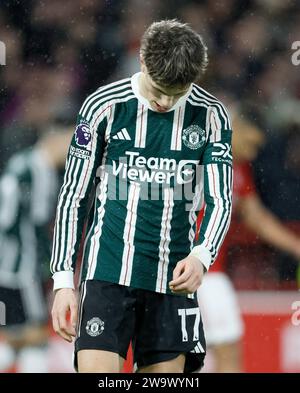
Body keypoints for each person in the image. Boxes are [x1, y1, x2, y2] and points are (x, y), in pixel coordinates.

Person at [50, 19, 233, 373]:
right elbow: (74, 195)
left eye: (177, 93)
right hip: (107, 274)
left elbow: (221, 199)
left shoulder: (211, 115)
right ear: (142, 63)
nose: (165, 102)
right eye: (159, 90)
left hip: (172, 285)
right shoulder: (103, 107)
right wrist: (62, 281)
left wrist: (201, 256)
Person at [196, 114, 300, 373]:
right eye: (250, 143)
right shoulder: (195, 157)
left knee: (218, 353)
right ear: (235, 129)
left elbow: (257, 218)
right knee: (222, 353)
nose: (253, 153)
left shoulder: (239, 168)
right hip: (195, 272)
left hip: (210, 273)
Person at [0, 126, 72, 372]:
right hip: (22, 269)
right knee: (35, 335)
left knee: (18, 335)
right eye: (70, 139)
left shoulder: (27, 165)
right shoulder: (34, 170)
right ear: (56, 137)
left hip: (14, 266)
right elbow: (21, 222)